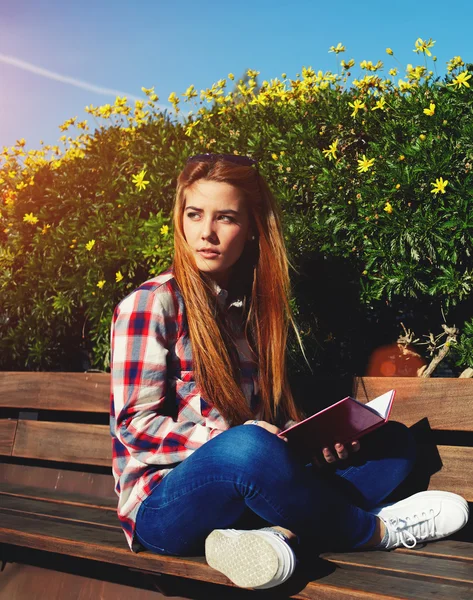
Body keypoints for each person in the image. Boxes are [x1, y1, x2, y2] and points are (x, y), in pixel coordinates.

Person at [110, 153, 469, 590]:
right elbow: (133, 426)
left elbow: (263, 423)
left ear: (253, 228)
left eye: (225, 218)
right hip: (164, 506)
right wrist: (240, 442)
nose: (206, 233)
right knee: (245, 448)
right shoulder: (152, 304)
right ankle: (375, 531)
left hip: (248, 487)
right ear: (180, 219)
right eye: (194, 214)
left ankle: (280, 537)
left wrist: (307, 438)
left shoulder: (250, 314)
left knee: (394, 443)